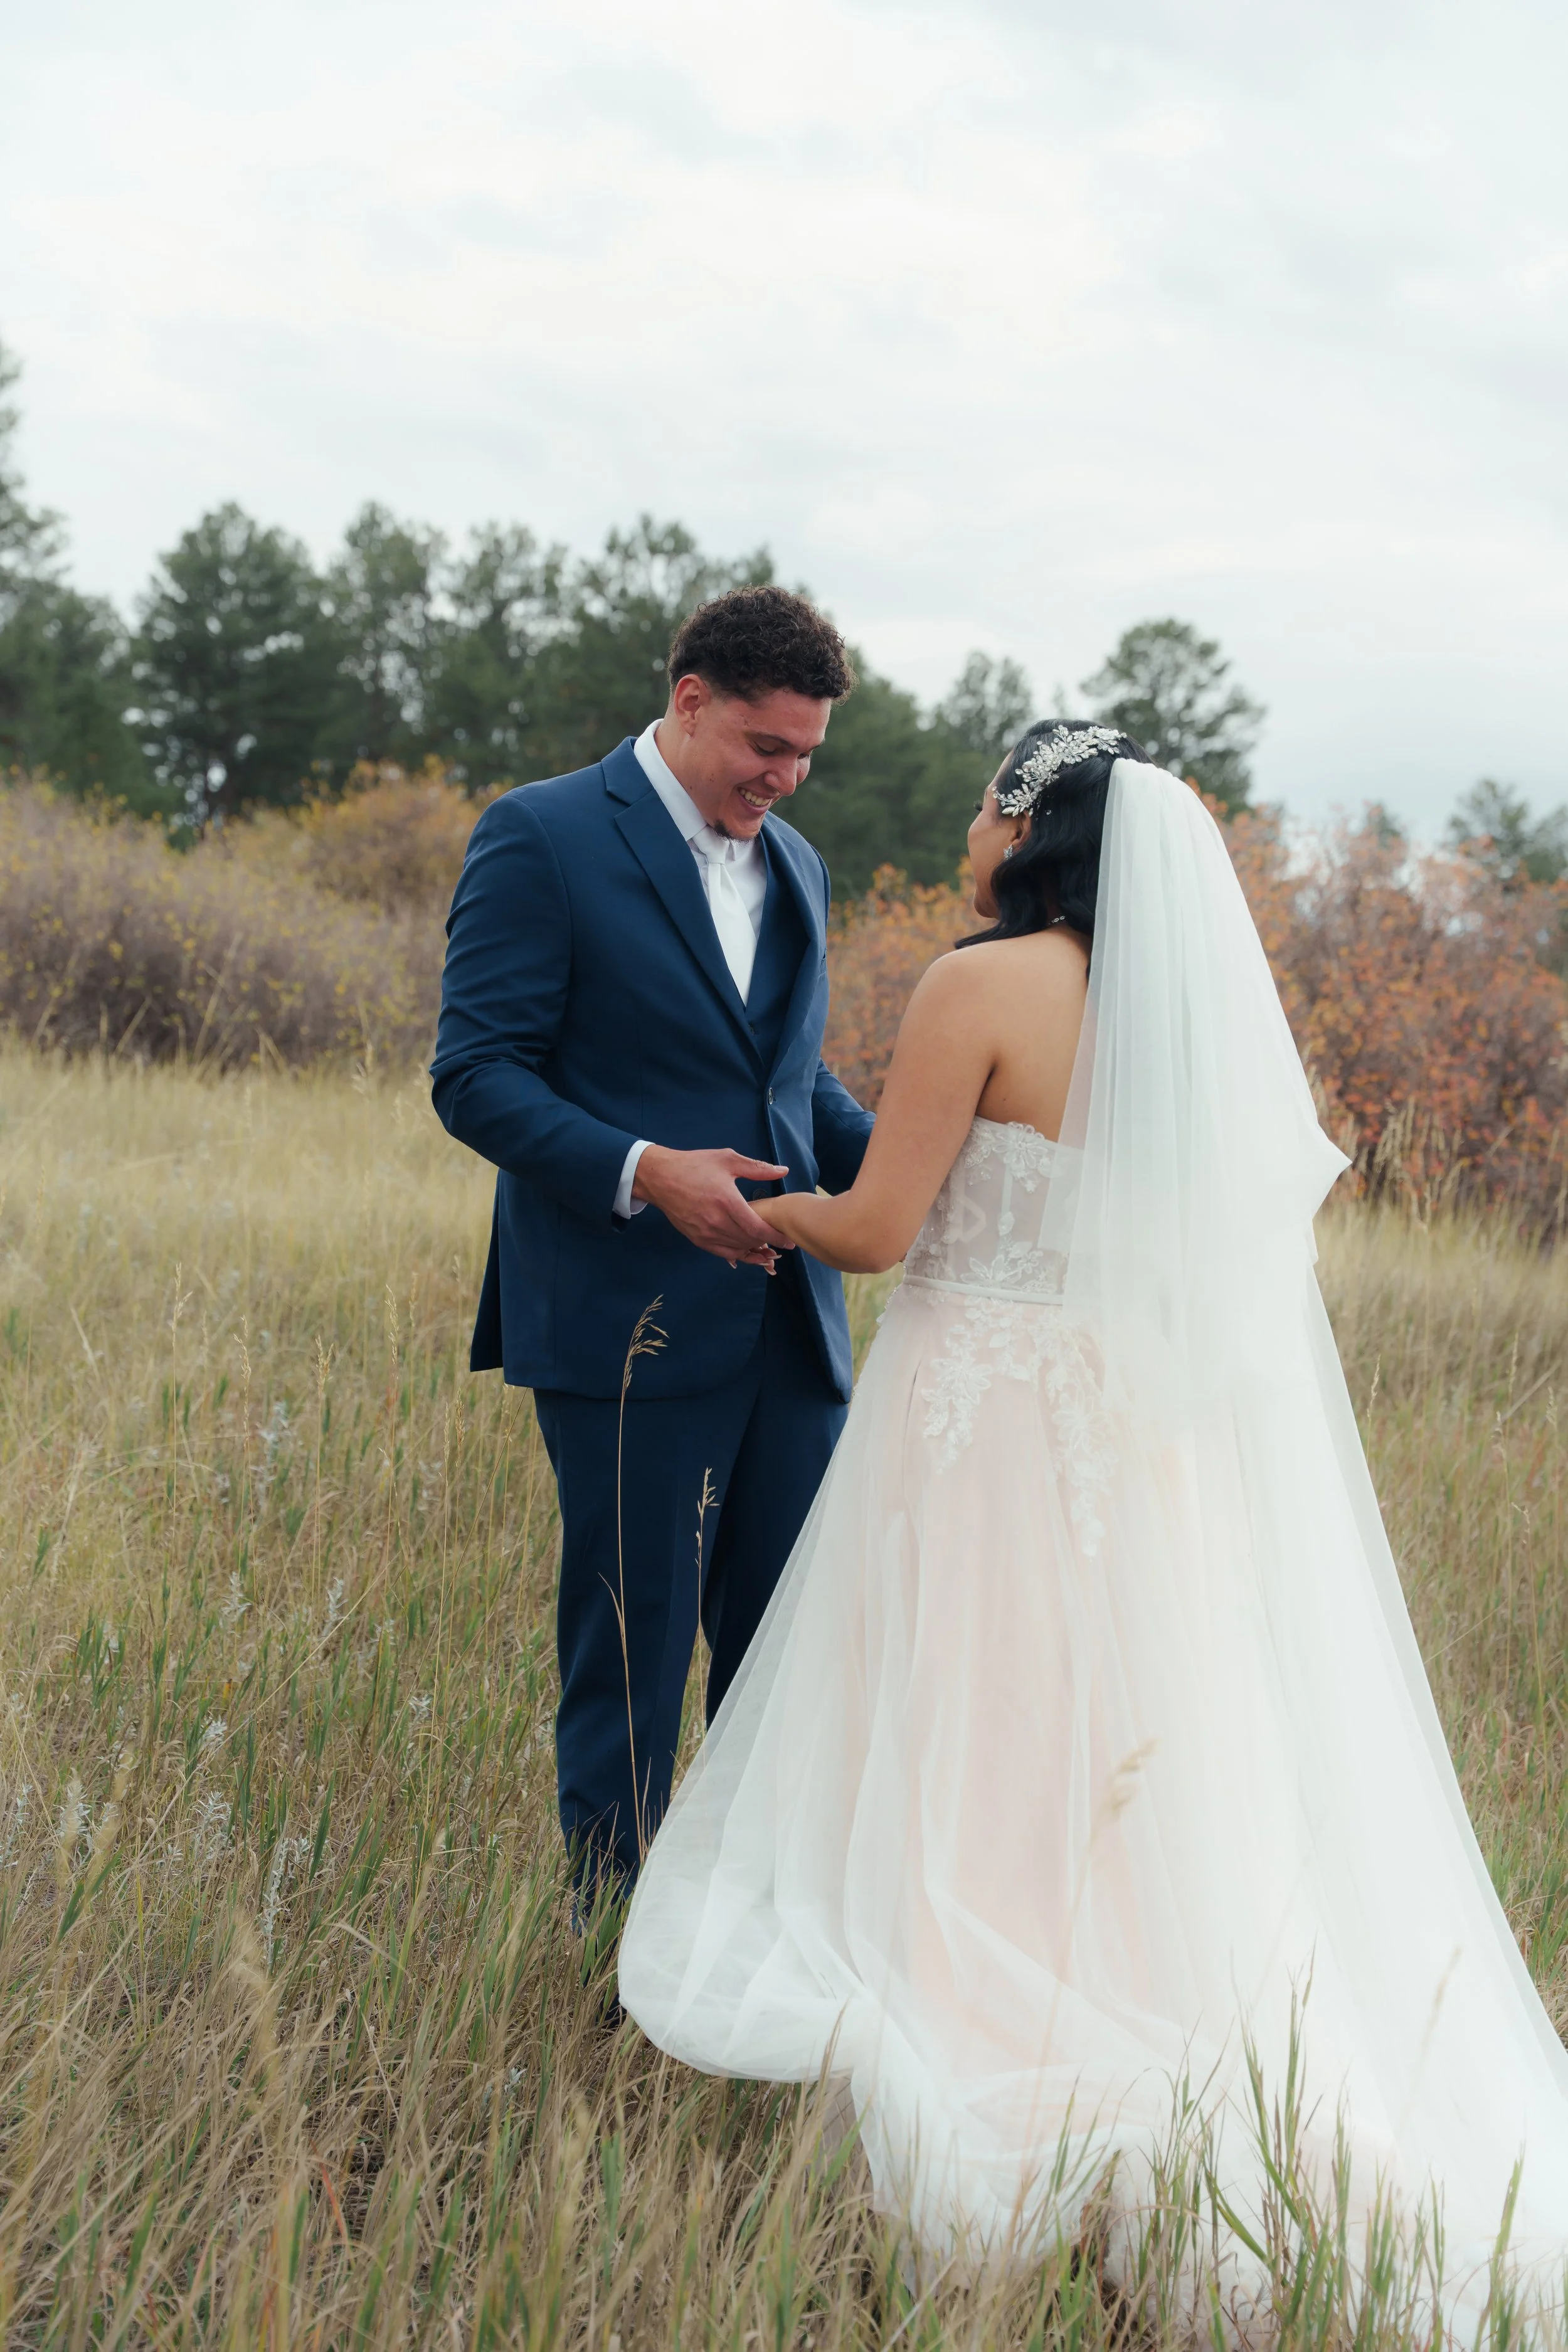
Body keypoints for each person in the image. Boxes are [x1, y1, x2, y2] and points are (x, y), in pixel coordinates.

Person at [617, 723, 1568, 2318]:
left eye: (986, 806)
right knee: (1130, 1748)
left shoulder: (977, 984)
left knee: (965, 1739)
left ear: (1024, 826)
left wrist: (718, 1201)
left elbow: (871, 1230)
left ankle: (988, 2054)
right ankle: (1140, 2023)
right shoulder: (1173, 1018)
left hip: (979, 1431)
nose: (971, 831)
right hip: (1130, 1444)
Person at [431, 586, 874, 1899]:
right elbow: (475, 1075)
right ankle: (606, 1956)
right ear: (690, 705)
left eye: (805, 755)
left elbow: (792, 1091)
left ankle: (738, 1954)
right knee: (630, 1659)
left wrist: (948, 1168)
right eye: (764, 748)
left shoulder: (797, 868)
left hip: (792, 1333)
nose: (784, 780)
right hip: (622, 1322)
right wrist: (641, 1173)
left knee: (779, 1663)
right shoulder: (543, 835)